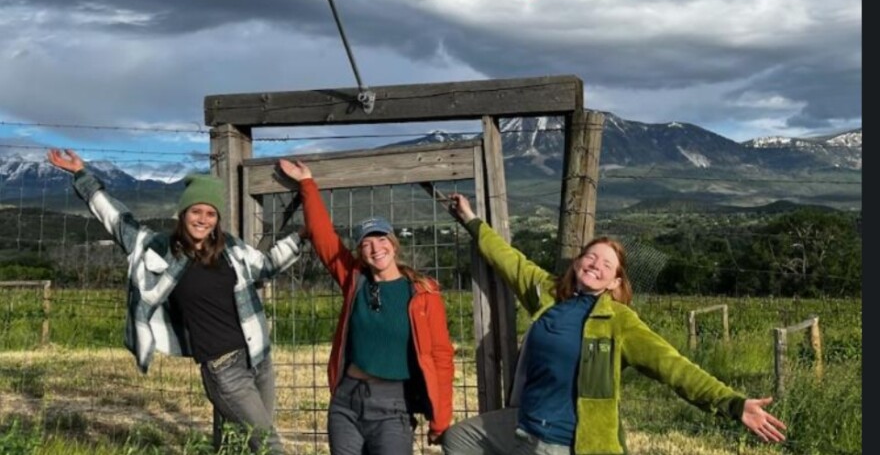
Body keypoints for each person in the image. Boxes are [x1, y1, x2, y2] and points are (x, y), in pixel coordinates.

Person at [441, 193, 787, 455]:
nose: (596, 264)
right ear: (577, 262)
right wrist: (471, 219)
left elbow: (674, 367)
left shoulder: (618, 322)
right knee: (458, 438)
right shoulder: (547, 294)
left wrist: (733, 403)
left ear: (614, 283)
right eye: (591, 255)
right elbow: (509, 259)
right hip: (522, 427)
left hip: (568, 442)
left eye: (607, 264)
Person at [47, 148, 302, 454]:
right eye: (196, 211)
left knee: (245, 444)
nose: (203, 220)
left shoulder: (231, 249)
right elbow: (117, 221)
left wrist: (303, 235)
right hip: (223, 367)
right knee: (270, 445)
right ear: (183, 213)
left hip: (259, 358)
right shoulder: (159, 249)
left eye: (210, 214)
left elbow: (267, 265)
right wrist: (81, 174)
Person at [277, 158, 455, 455]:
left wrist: (441, 418)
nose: (376, 248)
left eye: (381, 240)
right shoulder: (355, 280)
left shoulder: (423, 293)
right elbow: (324, 239)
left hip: (394, 406)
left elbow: (441, 355)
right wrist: (307, 183)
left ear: (393, 244)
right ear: (360, 251)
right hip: (346, 401)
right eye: (366, 244)